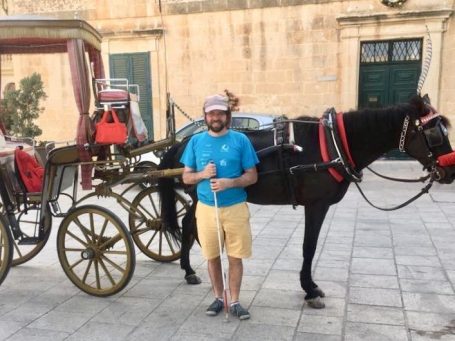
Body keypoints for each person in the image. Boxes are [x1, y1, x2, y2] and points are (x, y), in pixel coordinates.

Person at [180, 93, 259, 320]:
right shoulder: (195, 142)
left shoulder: (240, 141)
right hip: (206, 209)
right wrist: (203, 174)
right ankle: (218, 298)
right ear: (205, 116)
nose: (215, 117)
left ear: (227, 115)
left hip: (235, 208)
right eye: (211, 113)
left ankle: (234, 301)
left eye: (220, 113)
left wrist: (229, 183)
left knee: (235, 257)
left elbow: (252, 176)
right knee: (212, 257)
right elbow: (186, 177)